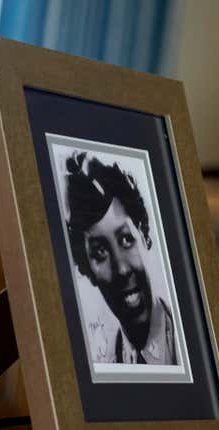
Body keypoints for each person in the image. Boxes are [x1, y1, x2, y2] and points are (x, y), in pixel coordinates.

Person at [65, 151, 177, 365]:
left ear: (144, 236)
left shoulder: (192, 347)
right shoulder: (102, 365)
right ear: (88, 271)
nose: (122, 269)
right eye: (100, 252)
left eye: (126, 239)